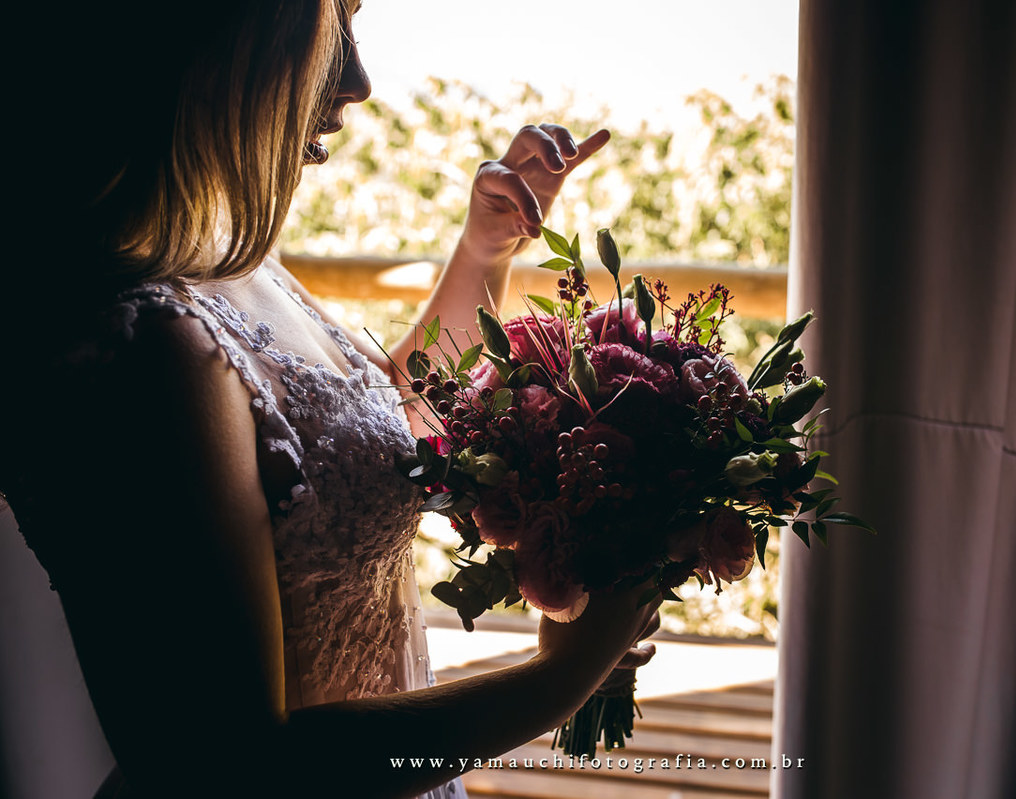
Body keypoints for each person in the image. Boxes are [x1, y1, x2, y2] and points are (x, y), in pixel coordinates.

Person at [0, 1, 660, 797]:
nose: (357, 80)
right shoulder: (141, 343)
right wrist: (564, 675)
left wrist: (485, 248)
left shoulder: (227, 262)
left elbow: (376, 418)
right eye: (330, 22)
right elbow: (236, 769)